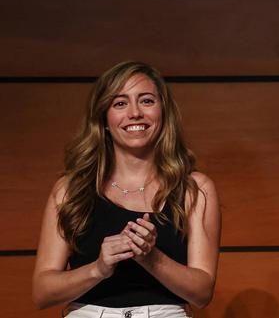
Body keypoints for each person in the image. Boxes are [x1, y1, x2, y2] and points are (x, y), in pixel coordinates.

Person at [32, 61, 221, 317]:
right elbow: (42, 293)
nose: (135, 113)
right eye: (120, 103)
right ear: (105, 119)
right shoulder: (71, 189)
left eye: (146, 101)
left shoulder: (195, 188)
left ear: (163, 112)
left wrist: (151, 258)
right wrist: (98, 268)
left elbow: (202, 293)